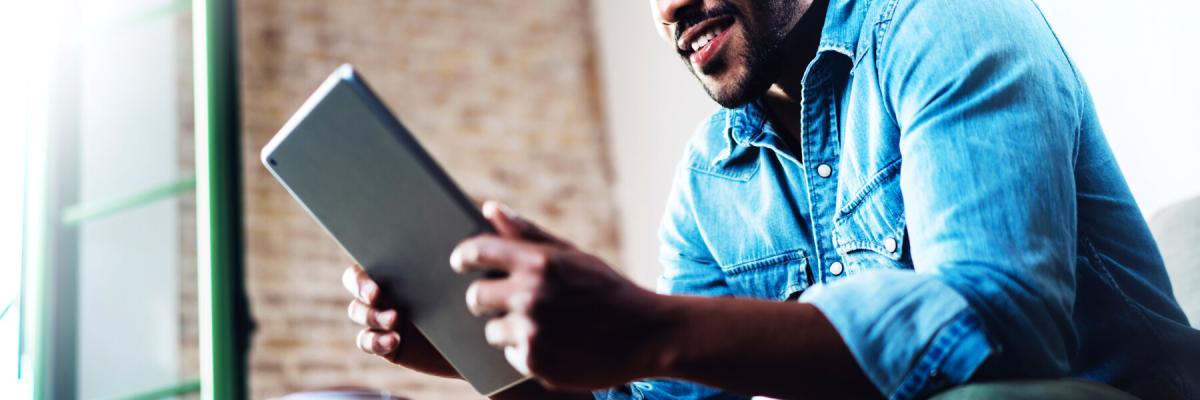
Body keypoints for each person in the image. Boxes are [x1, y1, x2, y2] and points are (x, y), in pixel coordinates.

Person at [341, 0, 1200, 398]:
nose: (673, 4)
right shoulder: (711, 180)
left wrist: (649, 325)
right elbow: (666, 391)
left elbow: (1003, 332)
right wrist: (477, 348)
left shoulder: (947, 24)